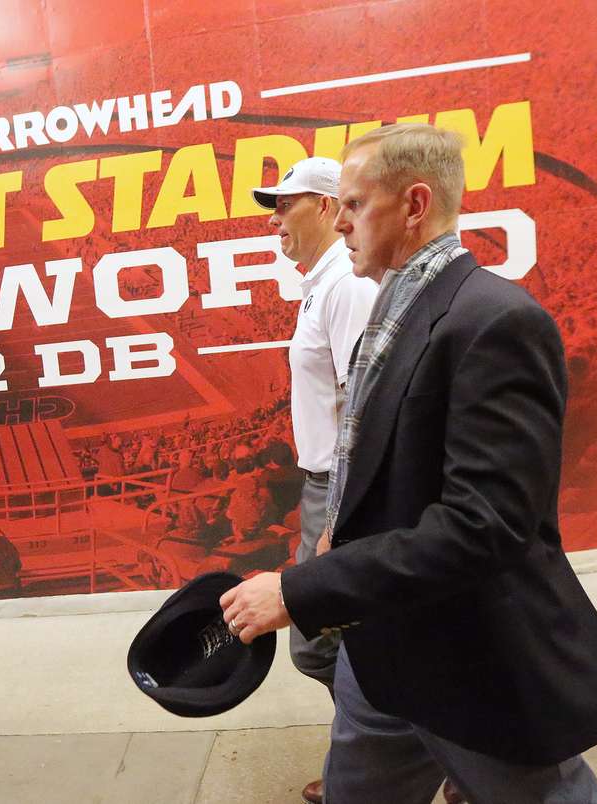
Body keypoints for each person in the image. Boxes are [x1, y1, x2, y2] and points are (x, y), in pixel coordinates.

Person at [219, 124, 597, 803]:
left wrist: (300, 591)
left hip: (468, 652)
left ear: (415, 205)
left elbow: (485, 526)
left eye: (354, 205)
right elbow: (375, 445)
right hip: (385, 644)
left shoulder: (495, 320)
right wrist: (338, 534)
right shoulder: (397, 298)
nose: (337, 222)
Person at [253, 156, 378, 802]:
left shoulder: (346, 287)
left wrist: (337, 518)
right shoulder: (324, 283)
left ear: (328, 207)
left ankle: (387, 759)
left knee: (321, 645)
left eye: (285, 204)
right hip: (325, 487)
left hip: (341, 490)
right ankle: (389, 757)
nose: (275, 219)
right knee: (346, 643)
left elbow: (368, 405)